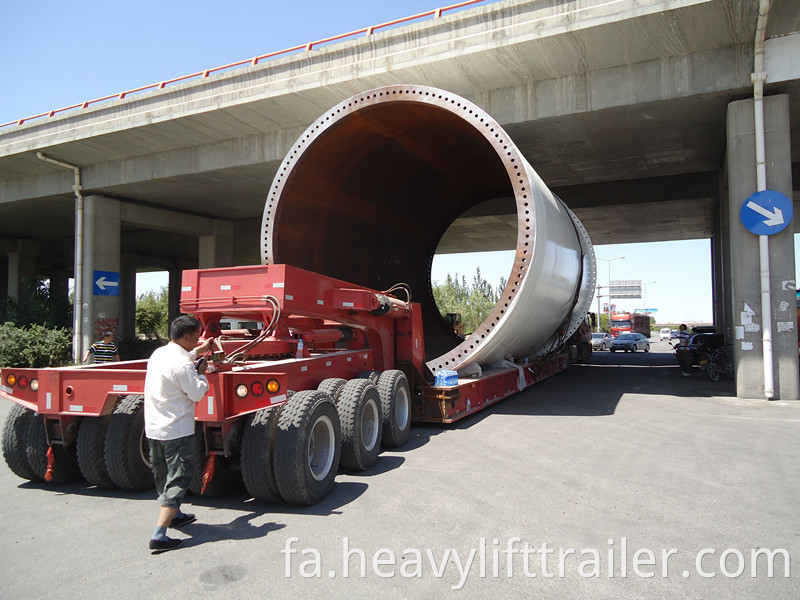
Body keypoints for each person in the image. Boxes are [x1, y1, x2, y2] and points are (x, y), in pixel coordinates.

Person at [144, 315, 213, 554]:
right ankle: (159, 534)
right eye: (195, 337)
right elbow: (196, 393)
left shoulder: (158, 354)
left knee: (163, 474)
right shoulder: (184, 365)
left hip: (154, 428)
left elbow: (179, 363)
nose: (197, 340)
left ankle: (176, 515)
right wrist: (203, 374)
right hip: (177, 431)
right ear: (186, 336)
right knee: (180, 477)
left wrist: (198, 352)